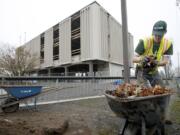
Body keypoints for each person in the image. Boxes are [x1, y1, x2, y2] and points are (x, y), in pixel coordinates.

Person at [133, 20, 173, 87]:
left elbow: (165, 61)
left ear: (165, 32)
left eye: (160, 35)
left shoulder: (167, 44)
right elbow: (133, 59)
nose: (157, 37)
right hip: (141, 71)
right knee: (144, 92)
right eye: (156, 34)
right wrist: (142, 58)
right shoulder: (145, 41)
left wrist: (156, 63)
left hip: (154, 71)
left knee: (161, 89)